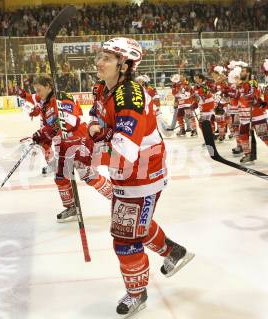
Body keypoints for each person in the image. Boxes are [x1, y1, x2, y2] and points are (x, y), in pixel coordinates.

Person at [90, 37, 194, 317]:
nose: (100, 62)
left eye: (108, 58)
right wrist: (89, 132)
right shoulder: (102, 88)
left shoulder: (129, 96)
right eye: (101, 55)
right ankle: (174, 252)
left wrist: (89, 152)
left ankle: (137, 293)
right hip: (128, 173)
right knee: (137, 225)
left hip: (141, 174)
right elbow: (96, 118)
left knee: (125, 238)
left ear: (125, 66)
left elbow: (125, 151)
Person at [28, 74, 113, 222]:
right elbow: (47, 127)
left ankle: (116, 198)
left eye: (39, 90)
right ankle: (71, 206)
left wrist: (47, 131)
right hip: (62, 144)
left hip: (78, 140)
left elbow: (71, 121)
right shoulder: (45, 104)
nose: (37, 94)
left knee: (88, 176)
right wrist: (41, 137)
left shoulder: (62, 97)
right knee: (60, 177)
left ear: (48, 86)